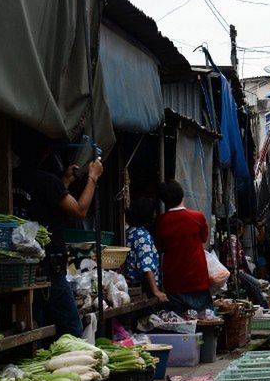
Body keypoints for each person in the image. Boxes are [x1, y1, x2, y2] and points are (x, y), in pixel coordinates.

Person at [13, 138, 103, 338]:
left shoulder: (12, 178)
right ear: (46, 153)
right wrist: (93, 178)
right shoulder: (47, 180)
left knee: (38, 325)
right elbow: (79, 210)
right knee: (71, 328)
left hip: (21, 267)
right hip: (48, 267)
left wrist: (65, 182)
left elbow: (44, 204)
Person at [154, 180, 212, 315]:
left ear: (164, 201)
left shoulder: (161, 222)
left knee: (179, 326)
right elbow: (203, 238)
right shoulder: (197, 217)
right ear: (182, 195)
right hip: (198, 280)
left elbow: (160, 247)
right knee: (205, 321)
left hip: (174, 282)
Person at [124, 198, 168, 304]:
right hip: (143, 288)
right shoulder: (142, 235)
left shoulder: (129, 232)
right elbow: (146, 265)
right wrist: (156, 291)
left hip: (133, 285)